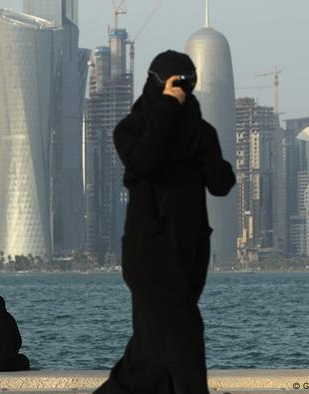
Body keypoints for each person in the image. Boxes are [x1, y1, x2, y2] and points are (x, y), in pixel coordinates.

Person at [94, 50, 236, 393]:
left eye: (189, 84)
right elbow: (142, 161)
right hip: (149, 254)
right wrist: (168, 109)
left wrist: (202, 144)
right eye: (177, 84)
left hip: (189, 256)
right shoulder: (132, 129)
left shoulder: (200, 132)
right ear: (158, 84)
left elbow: (221, 184)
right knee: (185, 332)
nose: (184, 91)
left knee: (149, 355)